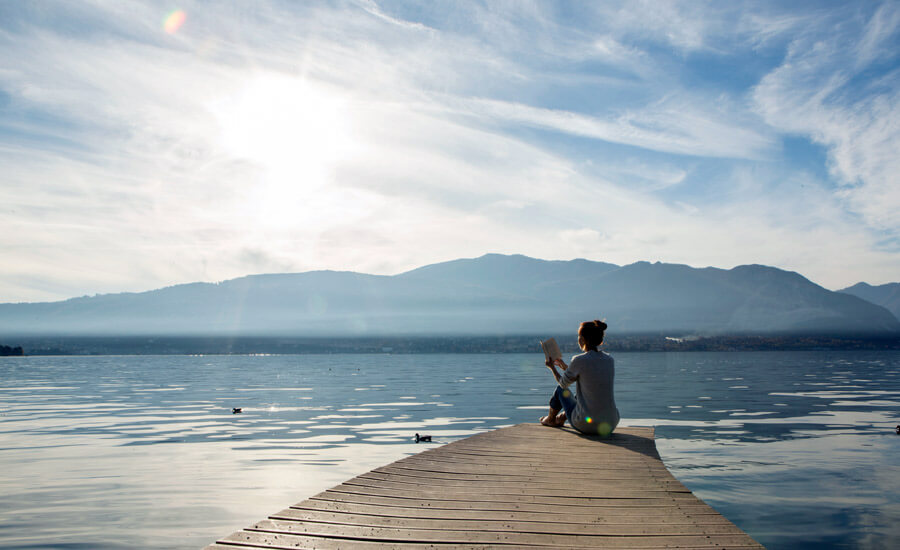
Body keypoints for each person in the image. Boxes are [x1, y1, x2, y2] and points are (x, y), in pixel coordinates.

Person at [541, 320, 619, 437]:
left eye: (579, 336)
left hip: (587, 425)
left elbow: (563, 384)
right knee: (582, 394)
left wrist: (552, 368)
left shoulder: (579, 360)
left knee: (560, 391)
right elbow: (587, 377)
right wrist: (564, 367)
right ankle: (561, 419)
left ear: (582, 339)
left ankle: (551, 419)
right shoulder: (609, 360)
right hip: (610, 423)